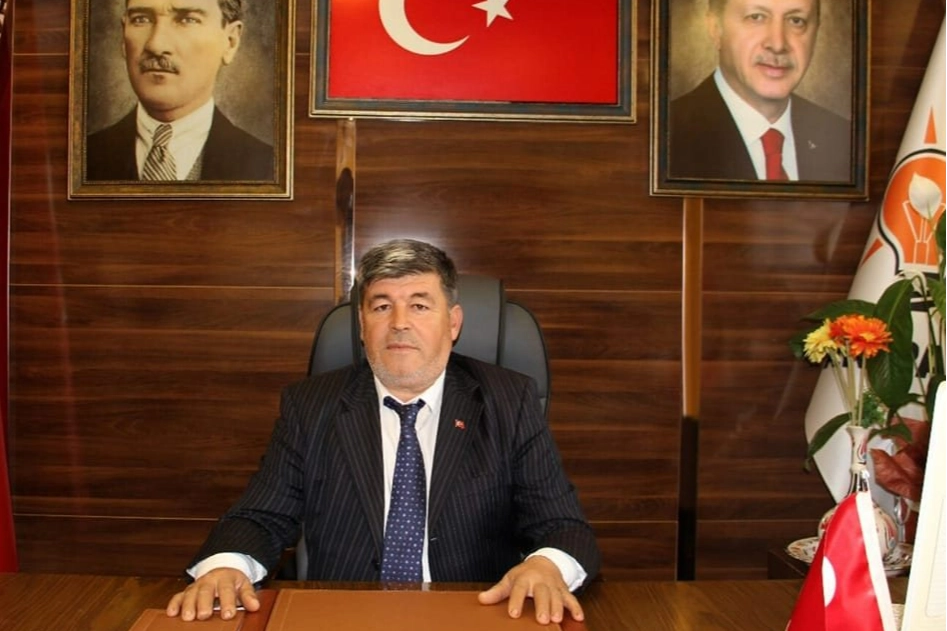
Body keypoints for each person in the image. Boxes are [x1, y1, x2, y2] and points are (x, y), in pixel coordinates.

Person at [165, 239, 601, 625]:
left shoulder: (509, 400)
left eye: (419, 305)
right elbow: (260, 516)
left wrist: (546, 567)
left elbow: (562, 525)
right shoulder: (311, 406)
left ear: (453, 323)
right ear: (362, 325)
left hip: (476, 612)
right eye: (381, 306)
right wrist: (226, 567)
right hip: (342, 616)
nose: (399, 323)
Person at [86, 0, 273, 182]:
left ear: (230, 41)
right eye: (141, 19)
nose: (156, 45)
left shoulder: (269, 168)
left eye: (187, 20)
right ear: (123, 36)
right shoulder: (82, 159)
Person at [668, 0, 850, 182]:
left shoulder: (846, 141)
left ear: (815, 32)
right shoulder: (666, 138)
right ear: (716, 29)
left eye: (796, 21)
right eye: (756, 17)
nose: (778, 44)